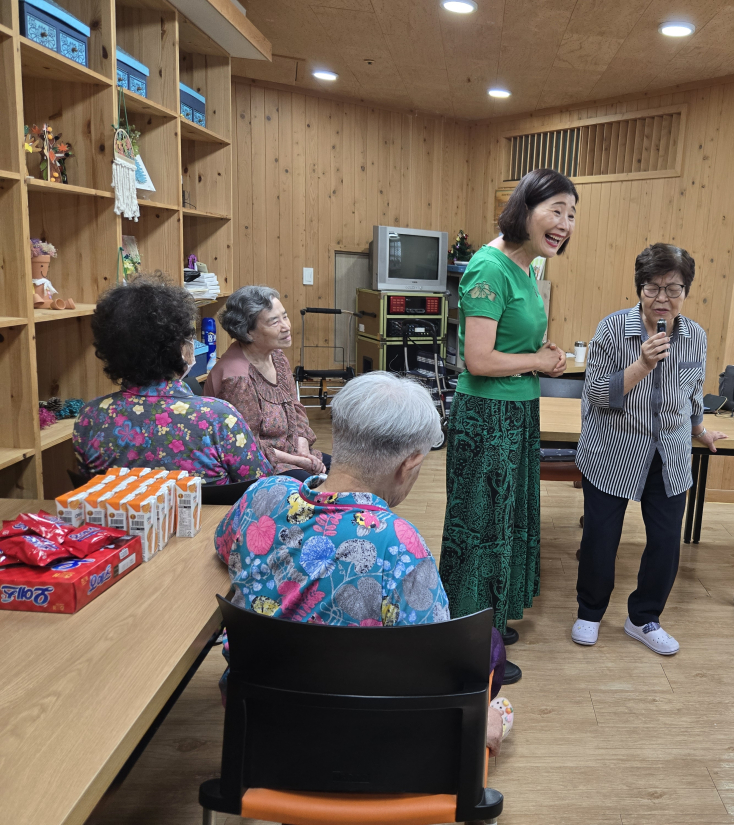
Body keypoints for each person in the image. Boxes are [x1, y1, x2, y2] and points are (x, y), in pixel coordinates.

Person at [214, 372, 511, 753]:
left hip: (253, 718)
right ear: (410, 463)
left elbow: (224, 547)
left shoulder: (264, 494)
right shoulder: (400, 545)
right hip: (360, 740)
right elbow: (434, 668)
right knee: (488, 645)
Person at [440, 168, 575, 684]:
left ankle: (490, 618)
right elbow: (477, 360)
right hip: (487, 416)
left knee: (507, 520)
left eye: (571, 214)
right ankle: (471, 642)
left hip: (518, 411)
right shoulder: (488, 267)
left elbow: (514, 345)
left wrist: (543, 355)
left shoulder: (528, 265)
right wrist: (536, 362)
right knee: (481, 528)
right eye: (556, 210)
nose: (564, 223)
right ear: (525, 209)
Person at [571, 244, 727, 655]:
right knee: (601, 538)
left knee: (666, 541)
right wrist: (641, 365)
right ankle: (589, 612)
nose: (662, 298)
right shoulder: (612, 329)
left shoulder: (695, 336)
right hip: (613, 449)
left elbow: (693, 392)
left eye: (673, 289)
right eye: (652, 288)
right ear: (639, 288)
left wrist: (700, 430)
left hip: (670, 452)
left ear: (685, 291)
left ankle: (643, 618)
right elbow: (596, 394)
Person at [74, 275, 273, 485]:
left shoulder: (90, 417)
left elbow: (92, 491)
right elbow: (262, 487)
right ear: (178, 347)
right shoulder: (218, 418)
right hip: (208, 509)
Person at [205, 285, 328, 481]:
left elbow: (295, 407)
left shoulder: (276, 356)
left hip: (292, 454)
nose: (286, 326)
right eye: (274, 322)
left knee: (351, 475)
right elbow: (248, 445)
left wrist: (303, 447)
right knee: (322, 490)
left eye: (285, 316)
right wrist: (300, 461)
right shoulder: (237, 379)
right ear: (248, 332)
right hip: (261, 466)